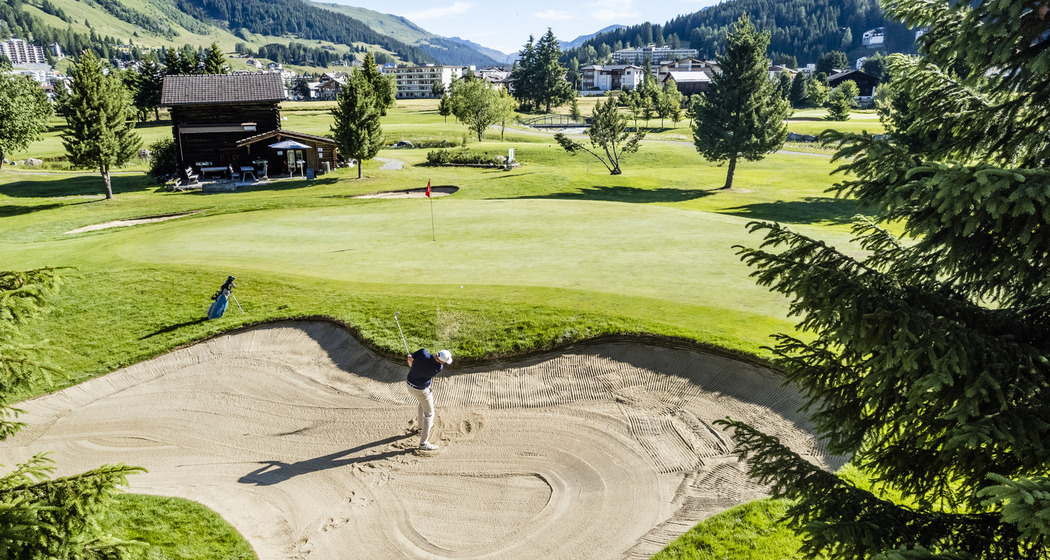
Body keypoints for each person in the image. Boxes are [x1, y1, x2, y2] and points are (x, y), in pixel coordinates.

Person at [406, 348, 452, 451]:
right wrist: (413, 363)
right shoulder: (438, 367)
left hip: (409, 385)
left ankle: (421, 428)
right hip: (421, 390)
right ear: (441, 361)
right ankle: (423, 444)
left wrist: (411, 359)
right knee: (429, 414)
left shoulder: (422, 353)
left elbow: (410, 363)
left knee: (422, 404)